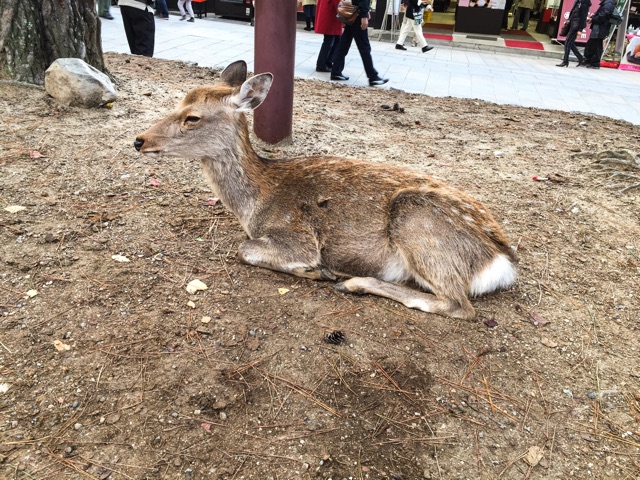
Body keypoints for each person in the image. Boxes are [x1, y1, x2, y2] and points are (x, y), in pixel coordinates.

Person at [330, 0, 389, 86]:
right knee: (364, 47)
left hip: (353, 13)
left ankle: (336, 71)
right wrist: (364, 15)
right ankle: (372, 76)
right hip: (357, 15)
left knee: (344, 44)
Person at [556, 0, 591, 67]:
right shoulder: (578, 1)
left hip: (576, 26)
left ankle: (565, 61)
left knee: (567, 43)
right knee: (570, 43)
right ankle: (581, 58)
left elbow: (583, 17)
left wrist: (580, 29)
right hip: (573, 24)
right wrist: (568, 20)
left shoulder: (584, 3)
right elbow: (573, 12)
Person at [582, 0, 615, 68]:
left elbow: (602, 16)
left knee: (596, 46)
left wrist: (593, 19)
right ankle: (589, 61)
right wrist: (593, 18)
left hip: (600, 28)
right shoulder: (606, 3)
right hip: (598, 28)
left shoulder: (608, 4)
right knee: (592, 44)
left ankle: (594, 63)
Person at [314, 0, 343, 72]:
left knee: (334, 40)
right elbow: (337, 4)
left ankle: (327, 62)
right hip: (331, 14)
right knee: (329, 41)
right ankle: (321, 64)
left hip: (330, 13)